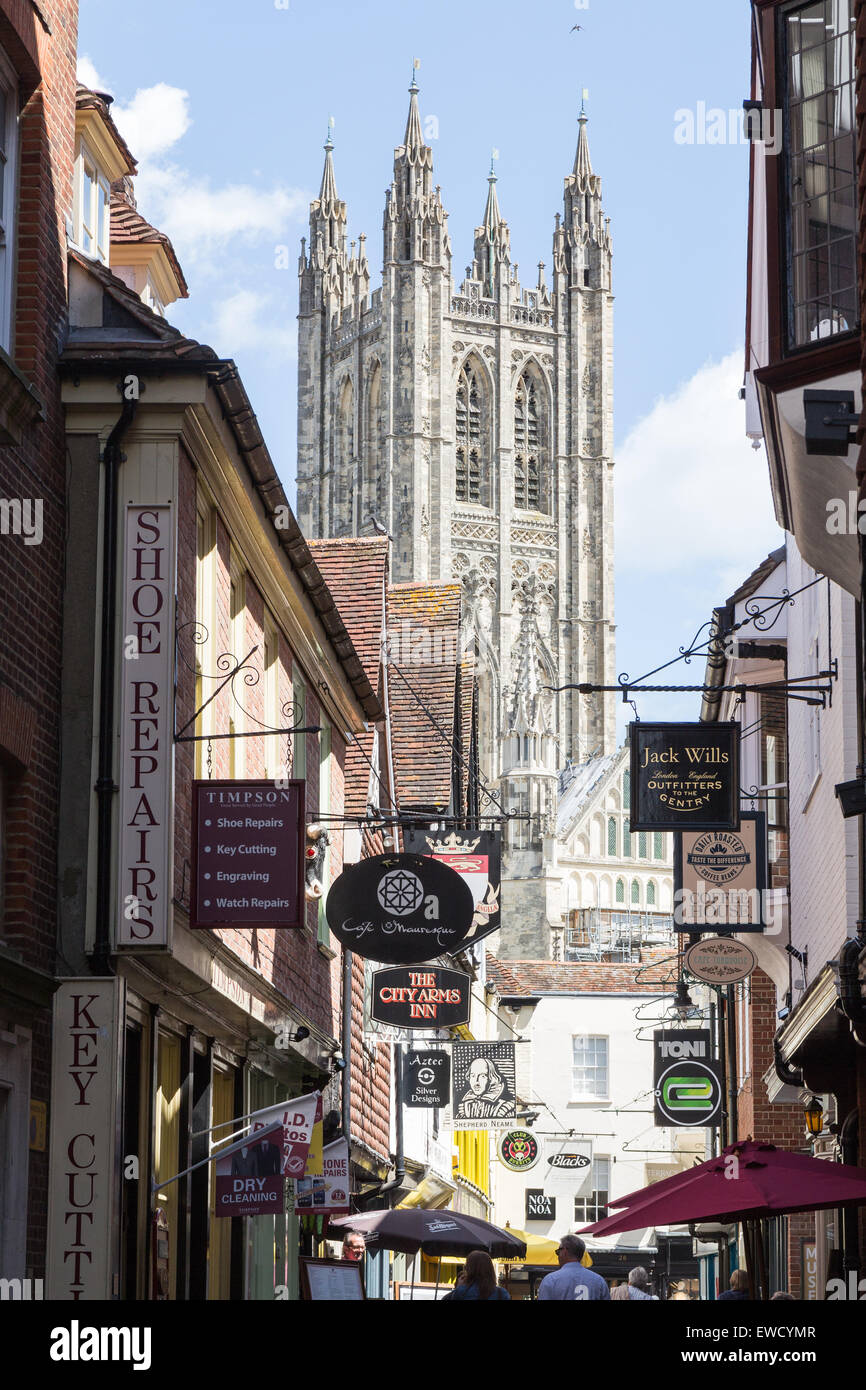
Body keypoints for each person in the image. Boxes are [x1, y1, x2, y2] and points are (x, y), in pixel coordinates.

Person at [537, 1234, 610, 1301]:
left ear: (564, 1251)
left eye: (558, 1252)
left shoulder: (551, 1280)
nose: (558, 1256)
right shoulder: (599, 1281)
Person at [441, 1250, 510, 1300]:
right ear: (490, 1269)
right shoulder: (501, 1293)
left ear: (469, 1269)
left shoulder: (461, 1292)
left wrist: (458, 1287)